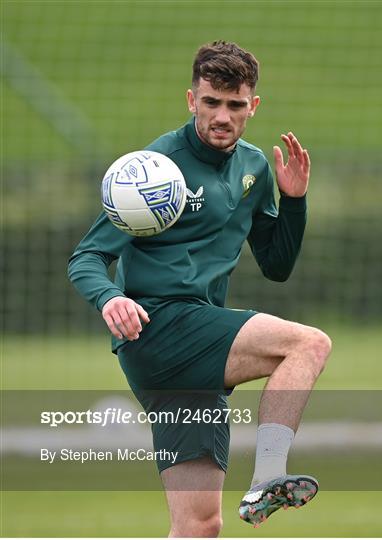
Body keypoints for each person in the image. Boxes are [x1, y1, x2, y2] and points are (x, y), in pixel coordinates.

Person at [68, 40, 332, 537]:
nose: (221, 116)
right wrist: (111, 297)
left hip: (191, 352)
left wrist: (294, 200)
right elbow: (87, 257)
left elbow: (276, 265)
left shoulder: (254, 168)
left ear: (252, 107)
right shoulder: (151, 167)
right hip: (160, 328)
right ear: (192, 100)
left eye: (235, 106)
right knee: (308, 343)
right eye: (211, 102)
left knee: (199, 526)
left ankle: (259, 487)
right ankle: (270, 478)